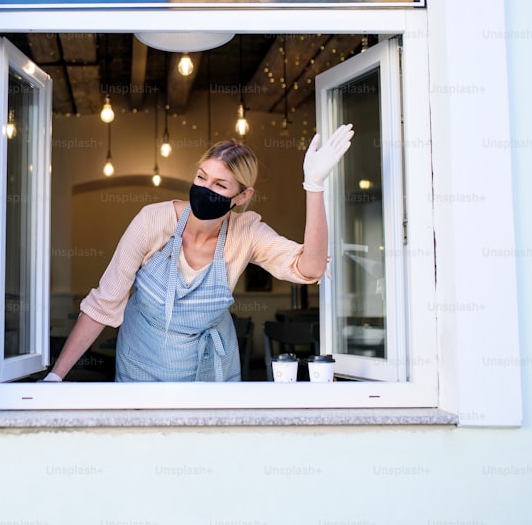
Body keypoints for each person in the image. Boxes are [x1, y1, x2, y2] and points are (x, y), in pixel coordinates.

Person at [43, 124, 354, 383]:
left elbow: (310, 268)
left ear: (242, 196)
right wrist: (55, 378)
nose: (206, 189)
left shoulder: (246, 233)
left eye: (220, 185)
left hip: (211, 374)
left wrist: (313, 186)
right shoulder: (153, 221)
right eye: (201, 177)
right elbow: (103, 304)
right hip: (141, 370)